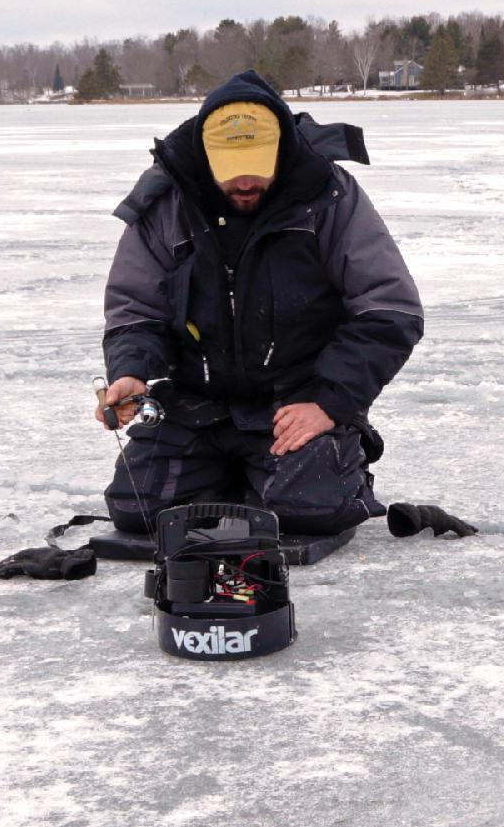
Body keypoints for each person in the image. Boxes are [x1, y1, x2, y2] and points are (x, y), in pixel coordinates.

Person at [98, 70, 422, 536]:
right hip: (196, 404)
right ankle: (237, 475)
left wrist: (329, 402)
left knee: (310, 512)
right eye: (231, 169)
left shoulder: (328, 195)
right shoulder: (167, 201)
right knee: (137, 511)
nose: (246, 182)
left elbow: (390, 309)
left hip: (295, 399)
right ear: (207, 158)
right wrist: (131, 372)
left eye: (257, 165)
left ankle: (330, 461)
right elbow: (136, 308)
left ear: (280, 151)